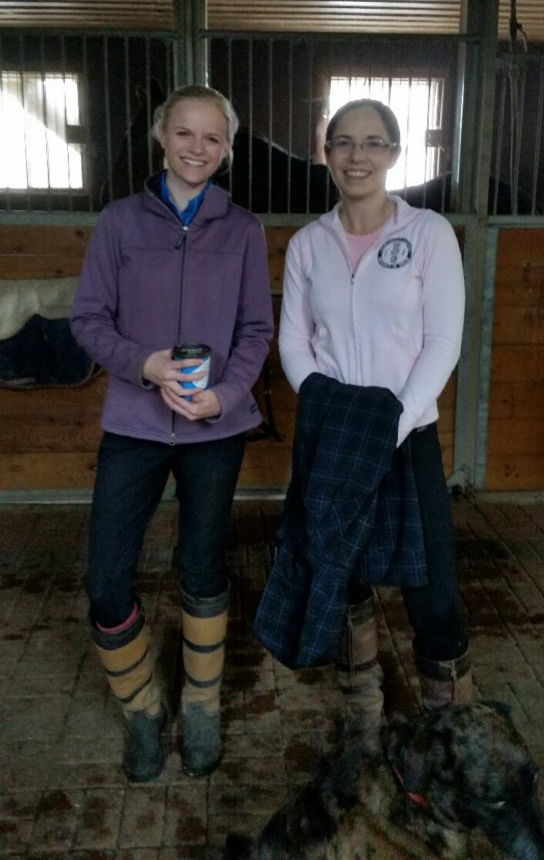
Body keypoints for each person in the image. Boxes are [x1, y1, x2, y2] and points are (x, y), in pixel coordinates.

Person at [71, 84, 274, 782]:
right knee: (105, 578)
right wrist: (144, 364)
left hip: (215, 429)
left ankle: (202, 708)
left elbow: (256, 330)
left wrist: (222, 396)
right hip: (134, 421)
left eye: (212, 138)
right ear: (161, 136)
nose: (197, 148)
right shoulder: (119, 223)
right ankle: (143, 710)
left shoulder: (242, 228)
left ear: (226, 148)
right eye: (185, 133)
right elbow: (89, 320)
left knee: (203, 569)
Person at [275, 98, 472, 735]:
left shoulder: (429, 234)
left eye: (373, 142)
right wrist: (333, 412)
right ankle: (363, 732)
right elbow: (294, 342)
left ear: (393, 154)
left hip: (404, 435)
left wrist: (388, 423)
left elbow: (443, 342)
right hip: (334, 437)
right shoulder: (309, 243)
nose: (357, 155)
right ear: (326, 153)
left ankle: (452, 736)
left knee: (433, 592)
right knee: (345, 577)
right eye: (343, 143)